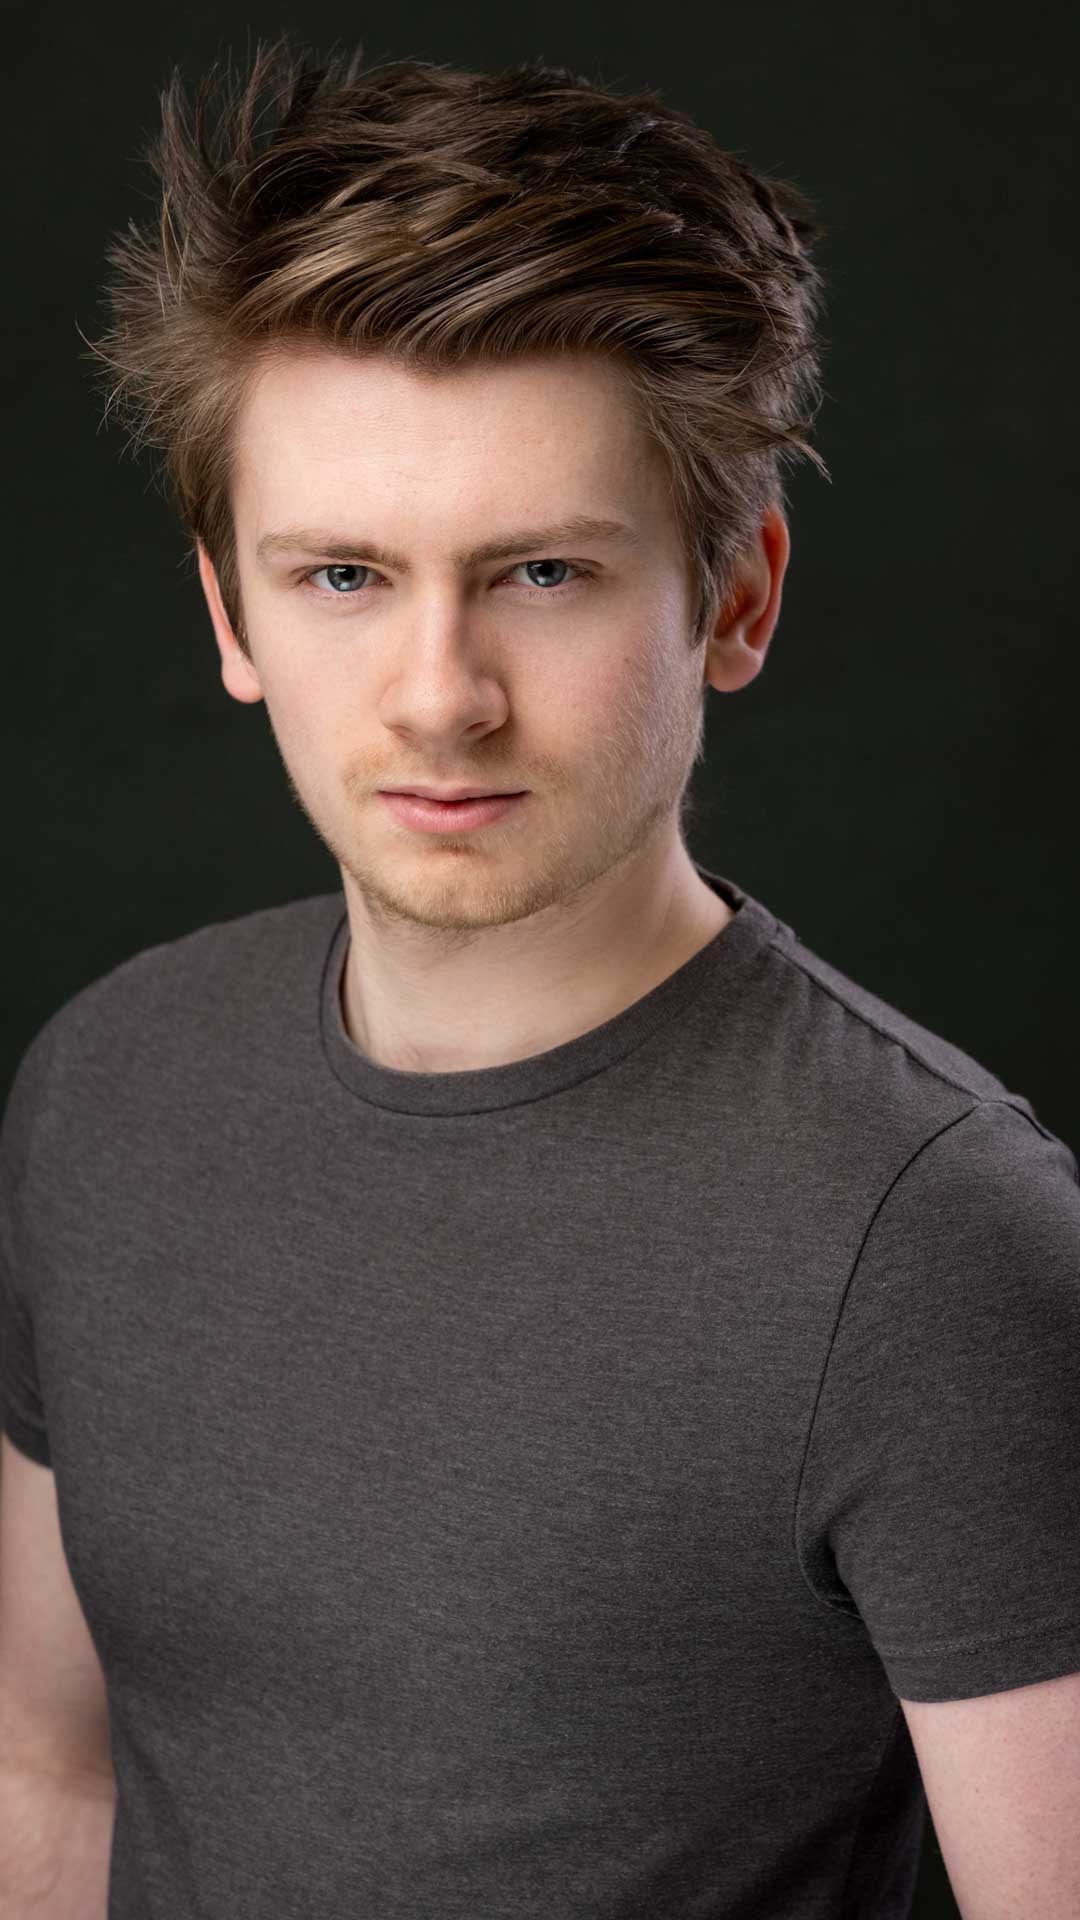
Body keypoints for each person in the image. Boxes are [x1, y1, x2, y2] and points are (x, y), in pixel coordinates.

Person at [2, 35, 1078, 1920]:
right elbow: (47, 1770)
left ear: (733, 598)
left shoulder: (939, 1242)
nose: (439, 693)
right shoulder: (106, 1086)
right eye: (341, 575)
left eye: (544, 576)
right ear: (226, 609)